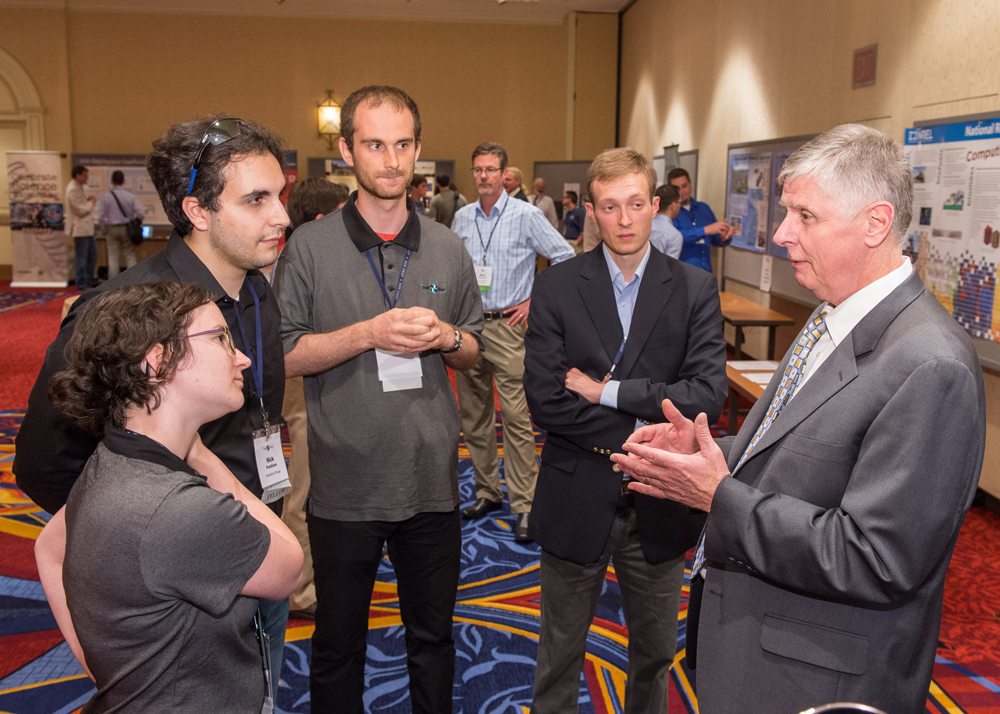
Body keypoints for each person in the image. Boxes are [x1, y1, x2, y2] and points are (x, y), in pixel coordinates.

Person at [614, 124, 987, 714]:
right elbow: (800, 446)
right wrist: (709, 449)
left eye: (805, 216)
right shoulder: (832, 318)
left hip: (818, 681)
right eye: (787, 212)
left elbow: (875, 558)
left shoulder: (930, 366)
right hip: (762, 650)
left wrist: (718, 494)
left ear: (875, 223)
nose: (783, 233)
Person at [16, 114, 294, 684]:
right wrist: (132, 551)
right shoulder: (123, 313)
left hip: (253, 542)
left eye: (280, 195)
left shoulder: (255, 288)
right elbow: (45, 462)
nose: (282, 216)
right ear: (197, 212)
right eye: (257, 200)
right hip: (178, 590)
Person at [273, 85, 484, 714]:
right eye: (373, 144)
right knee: (338, 644)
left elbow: (475, 348)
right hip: (344, 484)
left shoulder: (447, 244)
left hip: (433, 482)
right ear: (345, 151)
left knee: (433, 640)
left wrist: (447, 337)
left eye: (402, 145)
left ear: (418, 148)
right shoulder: (308, 248)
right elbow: (283, 352)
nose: (390, 161)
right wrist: (369, 333)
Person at [34, 280, 303, 714]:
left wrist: (110, 675)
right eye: (219, 338)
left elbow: (47, 547)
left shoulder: (110, 460)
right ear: (158, 362)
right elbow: (289, 568)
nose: (243, 357)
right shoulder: (179, 509)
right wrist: (207, 458)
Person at [523, 149, 728, 714]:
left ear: (654, 205)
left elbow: (708, 395)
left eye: (636, 204)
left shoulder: (692, 288)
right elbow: (545, 399)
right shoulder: (559, 286)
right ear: (591, 211)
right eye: (610, 206)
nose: (625, 219)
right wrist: (652, 421)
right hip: (577, 490)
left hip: (662, 498)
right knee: (559, 653)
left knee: (654, 657)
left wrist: (604, 391)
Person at [451, 142, 575, 542]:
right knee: (475, 417)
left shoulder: (526, 215)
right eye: (478, 170)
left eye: (491, 169)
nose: (484, 176)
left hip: (508, 328)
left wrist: (535, 299)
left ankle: (525, 503)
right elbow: (453, 270)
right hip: (469, 327)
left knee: (518, 420)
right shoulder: (462, 218)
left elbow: (566, 257)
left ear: (504, 174)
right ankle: (487, 492)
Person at [279, 177, 349, 621]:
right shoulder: (296, 264)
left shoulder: (309, 257)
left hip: (322, 386)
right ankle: (302, 589)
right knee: (303, 488)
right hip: (304, 387)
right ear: (323, 220)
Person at [666, 167, 733, 272]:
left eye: (684, 186)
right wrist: (705, 230)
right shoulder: (670, 212)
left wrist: (723, 238)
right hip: (682, 275)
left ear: (690, 184)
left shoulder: (704, 208)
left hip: (706, 273)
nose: (682, 191)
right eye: (677, 188)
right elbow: (675, 237)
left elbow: (714, 239)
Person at [98, 170, 144, 278]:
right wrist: (137, 224)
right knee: (130, 254)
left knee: (113, 256)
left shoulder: (105, 197)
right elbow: (140, 214)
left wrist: (103, 229)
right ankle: (133, 281)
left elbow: (101, 217)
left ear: (111, 181)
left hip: (111, 228)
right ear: (123, 181)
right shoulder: (130, 196)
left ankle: (113, 285)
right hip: (127, 228)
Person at [65, 165, 98, 289]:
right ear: (78, 175)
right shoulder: (73, 188)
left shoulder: (77, 187)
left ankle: (88, 279)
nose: (87, 178)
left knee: (92, 254)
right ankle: (82, 282)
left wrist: (87, 201)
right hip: (80, 229)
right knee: (81, 256)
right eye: (85, 175)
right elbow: (80, 210)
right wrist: (91, 202)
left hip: (86, 229)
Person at [649, 183, 683, 259]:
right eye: (680, 202)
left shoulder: (644, 225)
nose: (680, 206)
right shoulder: (674, 235)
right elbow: (670, 268)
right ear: (673, 206)